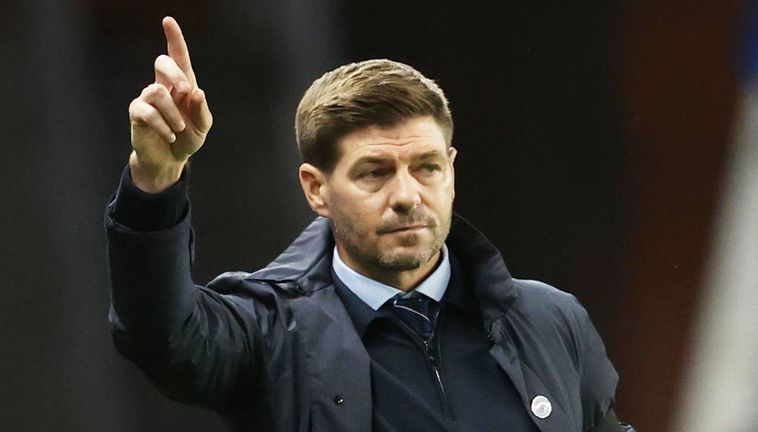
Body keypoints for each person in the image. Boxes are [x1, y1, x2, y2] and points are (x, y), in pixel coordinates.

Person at [106, 17, 635, 432]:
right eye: (374, 173)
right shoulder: (269, 330)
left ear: (451, 170)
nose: (406, 196)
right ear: (316, 189)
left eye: (426, 168)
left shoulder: (549, 320)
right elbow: (162, 336)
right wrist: (157, 177)